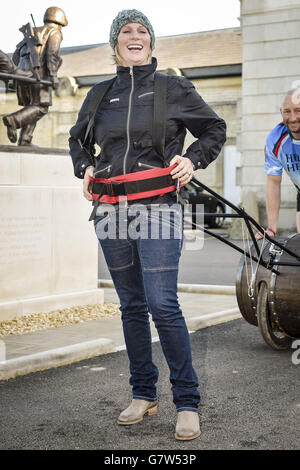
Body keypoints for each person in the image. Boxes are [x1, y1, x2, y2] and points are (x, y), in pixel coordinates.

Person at [69, 9, 226, 441]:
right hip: (109, 211)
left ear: (151, 43)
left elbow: (214, 128)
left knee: (162, 304)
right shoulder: (99, 94)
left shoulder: (173, 88)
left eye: (142, 31)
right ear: (115, 43)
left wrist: (192, 160)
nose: (134, 35)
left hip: (158, 207)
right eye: (126, 30)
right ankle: (143, 393)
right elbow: (76, 139)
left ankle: (187, 400)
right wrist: (84, 166)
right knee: (131, 306)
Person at [1, 7, 67, 146]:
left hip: (22, 74)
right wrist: (53, 75)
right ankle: (13, 120)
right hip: (39, 75)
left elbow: (16, 54)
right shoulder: (54, 32)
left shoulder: (30, 33)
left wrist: (17, 75)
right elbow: (51, 54)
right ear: (60, 23)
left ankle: (25, 140)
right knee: (41, 108)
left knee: (30, 110)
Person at [256, 89, 300, 240]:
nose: (293, 118)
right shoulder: (275, 139)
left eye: (298, 111)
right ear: (281, 112)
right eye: (288, 111)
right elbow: (274, 183)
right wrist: (271, 229)